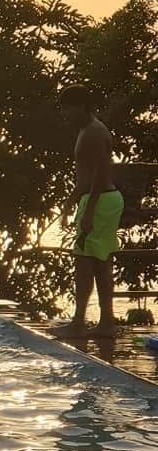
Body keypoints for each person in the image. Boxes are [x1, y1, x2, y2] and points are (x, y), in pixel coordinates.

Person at [50, 85, 125, 340]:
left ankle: (78, 322)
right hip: (102, 199)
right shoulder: (87, 130)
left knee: (83, 263)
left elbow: (101, 173)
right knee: (102, 262)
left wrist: (89, 211)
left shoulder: (94, 132)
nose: (64, 113)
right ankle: (106, 323)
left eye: (67, 108)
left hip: (100, 201)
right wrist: (70, 203)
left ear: (81, 106)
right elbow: (85, 176)